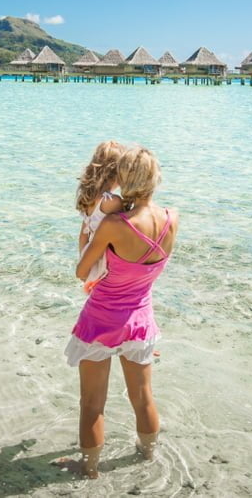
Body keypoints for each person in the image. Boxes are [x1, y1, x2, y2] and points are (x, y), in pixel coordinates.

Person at [64, 146, 179, 479]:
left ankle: (89, 470)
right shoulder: (173, 218)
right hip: (141, 321)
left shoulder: (114, 224)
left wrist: (89, 228)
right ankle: (147, 456)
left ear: (122, 178)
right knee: (143, 398)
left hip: (101, 320)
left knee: (92, 405)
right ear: (156, 178)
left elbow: (83, 271)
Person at [76, 141, 125, 294]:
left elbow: (83, 236)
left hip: (91, 255)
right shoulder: (112, 202)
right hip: (106, 261)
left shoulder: (88, 197)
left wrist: (85, 261)